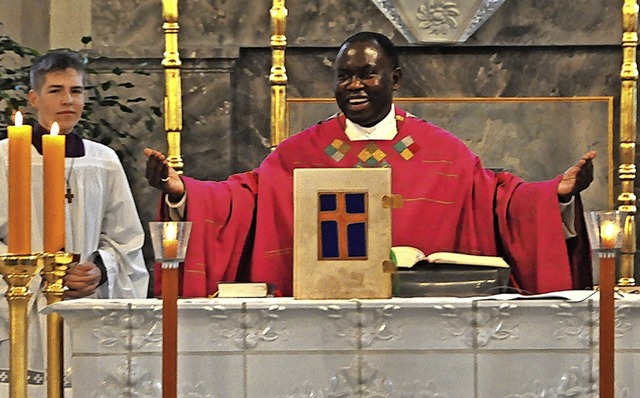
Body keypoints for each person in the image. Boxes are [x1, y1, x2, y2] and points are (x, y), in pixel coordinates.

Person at [145, 31, 595, 298]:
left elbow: (500, 200)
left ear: (395, 80)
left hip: (424, 319)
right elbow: (243, 199)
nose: (354, 86)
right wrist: (181, 191)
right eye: (344, 76)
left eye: (367, 74)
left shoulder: (444, 153)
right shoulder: (301, 152)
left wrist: (555, 194)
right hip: (319, 314)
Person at [0, 50, 149, 396]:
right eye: (56, 90)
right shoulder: (5, 158)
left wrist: (99, 269)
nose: (68, 100)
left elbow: (126, 239)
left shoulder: (104, 161)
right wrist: (36, 271)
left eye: (77, 91)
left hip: (86, 307)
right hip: (20, 306)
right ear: (34, 98)